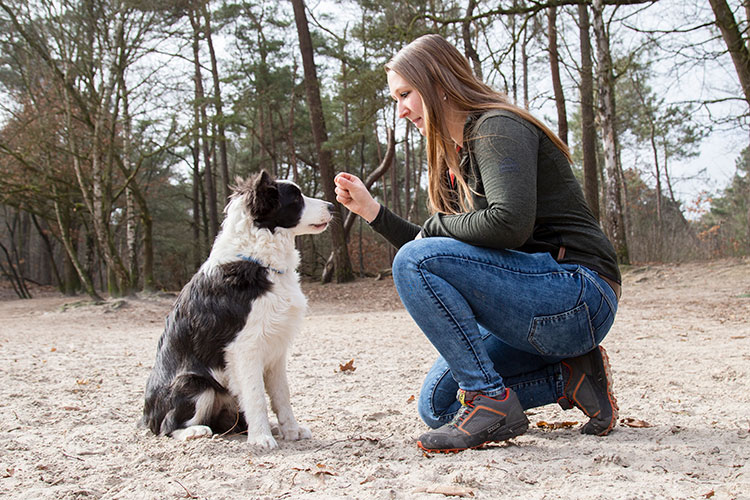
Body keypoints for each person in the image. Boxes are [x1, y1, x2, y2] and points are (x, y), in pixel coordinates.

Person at [334, 34, 621, 453]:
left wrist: (435, 226)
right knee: (439, 406)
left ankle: (491, 401)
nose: (401, 110)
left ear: (438, 82)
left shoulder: (497, 126)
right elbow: (437, 249)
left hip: (578, 295)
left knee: (417, 262)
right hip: (538, 306)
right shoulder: (456, 155)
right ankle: (573, 376)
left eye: (406, 94)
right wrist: (374, 213)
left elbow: (509, 225)